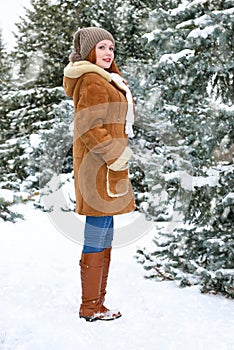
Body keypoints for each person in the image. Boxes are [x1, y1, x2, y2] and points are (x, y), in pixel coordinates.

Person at [63, 27, 136, 322]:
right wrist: (115, 155)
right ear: (89, 51)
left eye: (111, 48)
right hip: (99, 168)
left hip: (107, 168)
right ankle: (90, 306)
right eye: (102, 47)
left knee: (105, 231)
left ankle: (97, 302)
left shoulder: (107, 78)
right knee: (98, 231)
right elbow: (88, 125)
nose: (108, 53)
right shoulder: (92, 79)